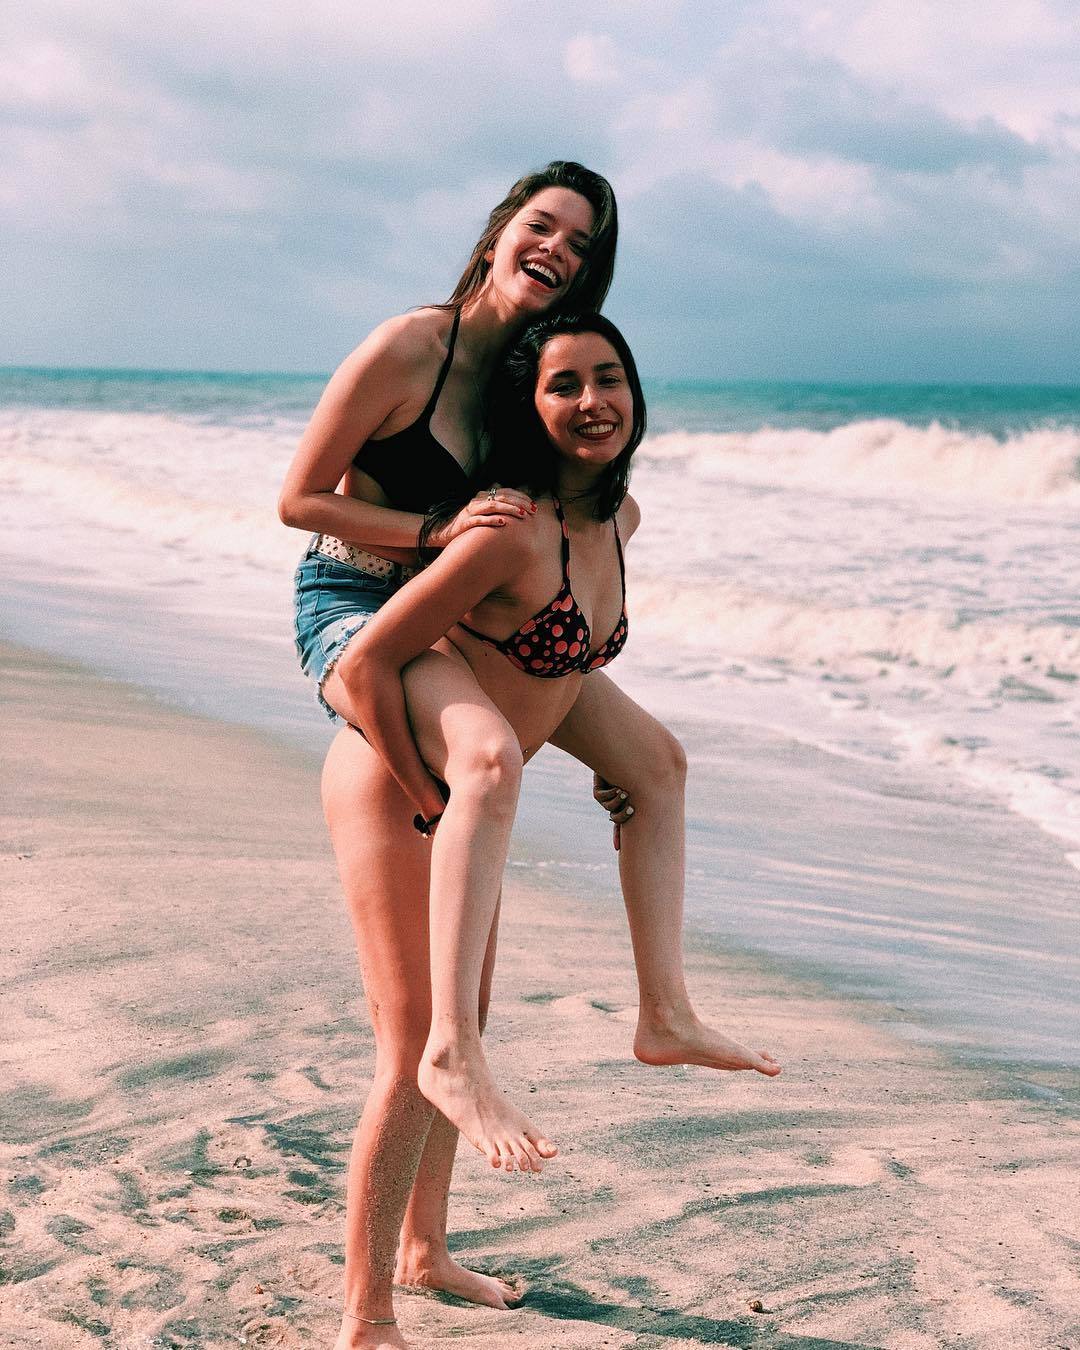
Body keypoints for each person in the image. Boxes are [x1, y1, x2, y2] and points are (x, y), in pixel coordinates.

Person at [320, 313, 780, 1346]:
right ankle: (364, 1315)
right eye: (563, 385)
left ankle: (658, 1018)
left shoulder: (621, 520)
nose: (591, 401)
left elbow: (555, 672)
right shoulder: (508, 529)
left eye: (608, 378)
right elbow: (368, 662)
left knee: (659, 765)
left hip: (476, 797)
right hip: (403, 780)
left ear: (636, 394)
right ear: (529, 411)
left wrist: (609, 760)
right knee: (419, 1049)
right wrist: (426, 791)